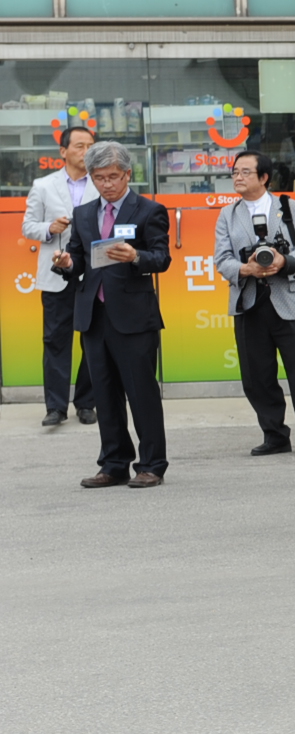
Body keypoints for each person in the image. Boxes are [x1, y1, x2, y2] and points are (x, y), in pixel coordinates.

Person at [51, 141, 169, 489]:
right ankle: (114, 463)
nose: (107, 184)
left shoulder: (149, 210)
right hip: (94, 314)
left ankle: (151, 464)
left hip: (134, 316)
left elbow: (161, 258)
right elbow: (77, 260)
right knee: (104, 393)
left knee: (141, 393)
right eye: (99, 177)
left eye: (114, 177)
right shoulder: (85, 213)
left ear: (128, 174)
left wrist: (135, 255)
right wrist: (66, 264)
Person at [212, 150, 295, 457]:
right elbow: (221, 259)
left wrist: (285, 262)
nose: (238, 177)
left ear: (264, 177)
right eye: (234, 172)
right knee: (256, 375)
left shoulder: (291, 208)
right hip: (248, 300)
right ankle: (274, 434)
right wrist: (245, 269)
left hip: (288, 299)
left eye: (245, 172)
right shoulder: (228, 214)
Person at [24, 123, 96, 427]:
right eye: (79, 146)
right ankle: (55, 407)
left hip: (94, 272)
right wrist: (49, 229)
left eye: (91, 145)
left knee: (93, 339)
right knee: (55, 339)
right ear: (63, 151)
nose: (86, 152)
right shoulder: (43, 185)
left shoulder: (102, 183)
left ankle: (86, 402)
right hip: (56, 273)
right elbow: (28, 227)